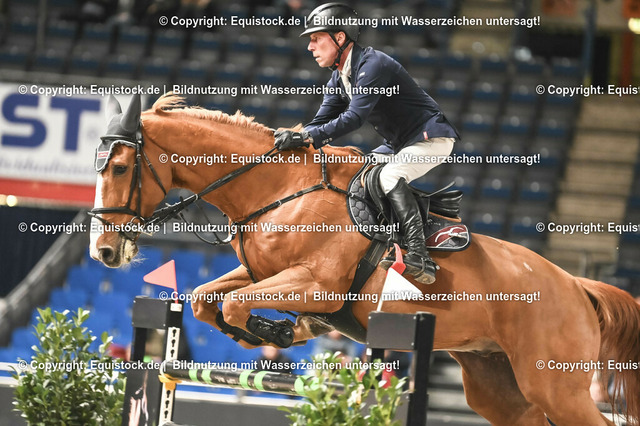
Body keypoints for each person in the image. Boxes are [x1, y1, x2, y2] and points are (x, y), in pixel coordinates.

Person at [274, 3, 460, 284]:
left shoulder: (374, 65)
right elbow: (320, 121)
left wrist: (307, 138)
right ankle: (387, 240)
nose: (310, 47)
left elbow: (354, 118)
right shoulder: (339, 77)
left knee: (389, 176)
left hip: (430, 137)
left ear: (339, 37)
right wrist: (289, 139)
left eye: (316, 38)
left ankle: (420, 257)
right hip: (399, 143)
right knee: (357, 173)